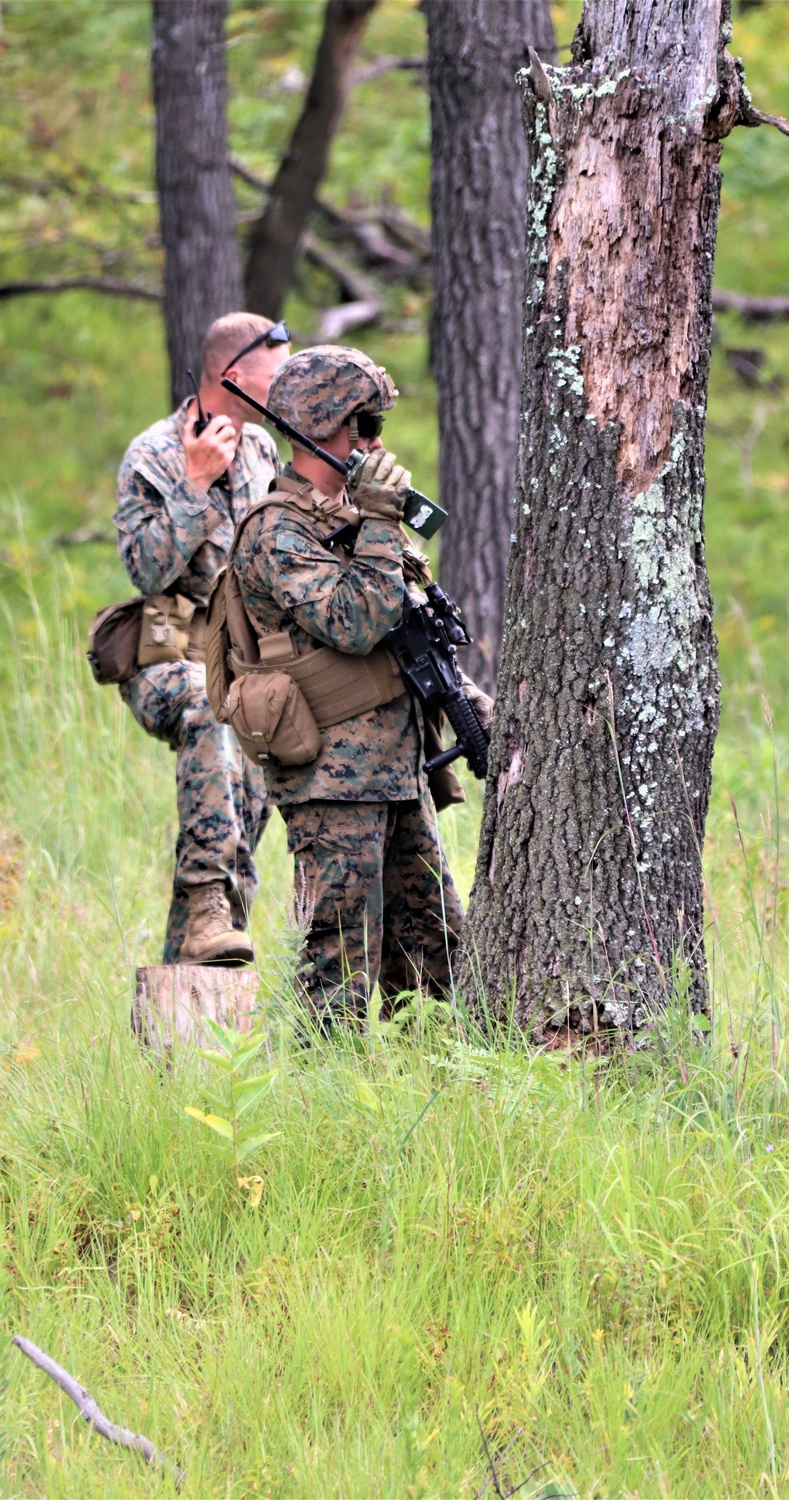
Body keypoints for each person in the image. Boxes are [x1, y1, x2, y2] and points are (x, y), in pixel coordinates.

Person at [228, 345, 491, 1026]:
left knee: (437, 953)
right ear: (319, 426)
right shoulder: (275, 531)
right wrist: (378, 519)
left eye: (377, 425)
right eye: (362, 426)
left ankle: (431, 1097)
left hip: (396, 773)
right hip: (331, 781)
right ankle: (325, 1107)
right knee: (338, 963)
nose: (376, 441)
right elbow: (354, 621)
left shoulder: (356, 520)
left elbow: (411, 635)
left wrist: (472, 708)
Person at [114, 313, 291, 965]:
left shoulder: (264, 451)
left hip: (247, 658)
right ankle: (208, 905)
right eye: (278, 378)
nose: (288, 392)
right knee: (211, 711)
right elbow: (146, 570)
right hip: (172, 656)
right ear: (234, 376)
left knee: (248, 799)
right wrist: (192, 484)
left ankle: (199, 959)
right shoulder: (155, 452)